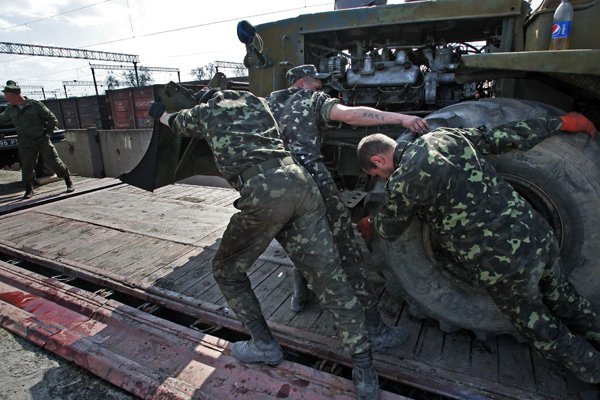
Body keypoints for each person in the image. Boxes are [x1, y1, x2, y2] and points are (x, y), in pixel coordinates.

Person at [148, 89, 380, 400]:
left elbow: (175, 122)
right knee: (330, 277)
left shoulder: (206, 112)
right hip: (301, 182)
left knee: (226, 270)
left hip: (263, 191)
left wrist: (158, 112)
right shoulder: (259, 102)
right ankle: (365, 371)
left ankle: (264, 345)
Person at [356, 112, 600, 383]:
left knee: (540, 327)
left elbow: (390, 228)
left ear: (377, 160)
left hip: (503, 262)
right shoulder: (445, 136)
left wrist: (369, 223)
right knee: (565, 298)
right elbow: (501, 137)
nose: (381, 177)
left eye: (376, 173)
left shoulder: (404, 181)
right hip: (535, 233)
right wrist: (560, 123)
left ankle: (592, 368)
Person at [267, 64, 429, 350]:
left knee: (299, 236)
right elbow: (351, 115)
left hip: (275, 183)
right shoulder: (309, 99)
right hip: (310, 180)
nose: (322, 91)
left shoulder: (269, 102)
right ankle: (376, 332)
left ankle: (300, 295)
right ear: (303, 84)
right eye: (318, 86)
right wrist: (402, 118)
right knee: (348, 253)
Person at [0, 80, 74, 199]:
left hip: (41, 139)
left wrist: (47, 134)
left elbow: (52, 119)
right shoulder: (11, 109)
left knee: (54, 161)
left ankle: (68, 182)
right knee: (27, 166)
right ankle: (29, 189)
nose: (7, 99)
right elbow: (2, 120)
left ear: (15, 95)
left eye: (8, 96)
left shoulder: (35, 105)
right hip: (25, 142)